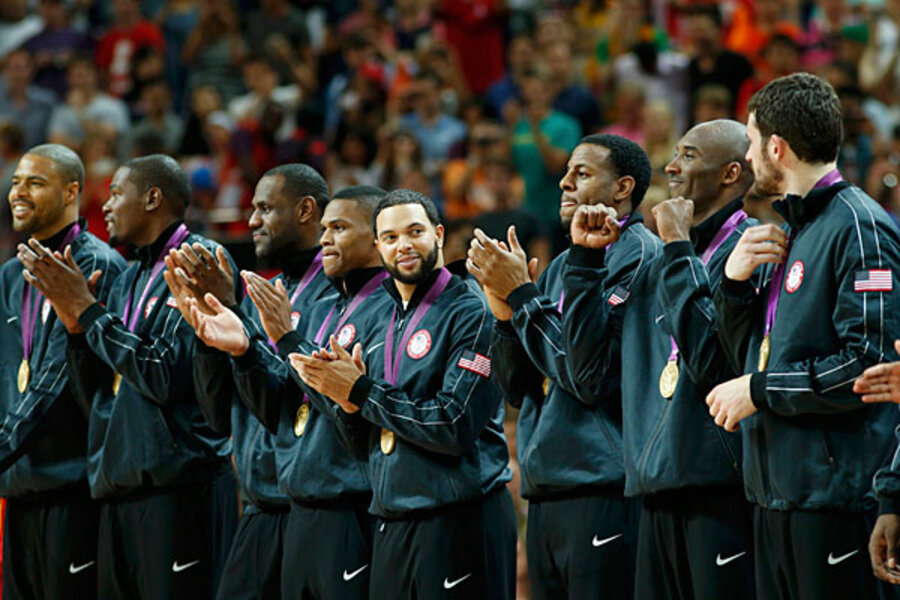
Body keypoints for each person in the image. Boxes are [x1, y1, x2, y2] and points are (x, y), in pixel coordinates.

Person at [706, 73, 900, 599]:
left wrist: (759, 389)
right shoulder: (792, 231)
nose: (747, 159)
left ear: (776, 148)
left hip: (836, 501)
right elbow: (748, 350)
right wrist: (732, 284)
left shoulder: (859, 226)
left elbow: (868, 367)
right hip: (776, 496)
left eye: (750, 143)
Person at [22, 154, 240, 599]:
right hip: (117, 488)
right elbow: (96, 396)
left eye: (117, 194)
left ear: (152, 198)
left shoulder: (201, 264)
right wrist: (76, 330)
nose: (105, 205)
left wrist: (89, 312)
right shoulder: (126, 275)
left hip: (177, 491)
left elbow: (163, 375)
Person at [563, 121, 758, 598]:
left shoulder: (751, 250)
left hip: (721, 494)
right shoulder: (655, 265)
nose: (670, 166)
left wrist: (677, 246)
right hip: (653, 491)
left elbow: (716, 367)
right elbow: (588, 376)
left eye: (688, 156)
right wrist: (585, 263)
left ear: (731, 172)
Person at [289, 189, 517, 599]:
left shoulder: (471, 312)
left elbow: (453, 424)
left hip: (460, 519)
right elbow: (362, 444)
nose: (404, 245)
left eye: (415, 232)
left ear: (439, 234)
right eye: (390, 238)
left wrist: (359, 391)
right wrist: (345, 403)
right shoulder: (377, 316)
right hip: (391, 518)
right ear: (378, 247)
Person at [469, 134, 659, 599]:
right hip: (549, 487)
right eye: (567, 171)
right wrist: (504, 315)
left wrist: (522, 296)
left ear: (622, 188)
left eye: (582, 173)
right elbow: (519, 388)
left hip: (605, 486)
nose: (564, 181)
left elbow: (588, 375)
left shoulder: (641, 255)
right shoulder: (560, 267)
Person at [187, 185, 390, 599]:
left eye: (337, 227)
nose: (325, 237)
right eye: (326, 228)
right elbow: (264, 408)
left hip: (348, 504)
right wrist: (240, 350)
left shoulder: (383, 307)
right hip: (278, 502)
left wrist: (285, 339)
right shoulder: (295, 301)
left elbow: (350, 412)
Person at [165, 163, 334, 599]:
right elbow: (220, 416)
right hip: (258, 511)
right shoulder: (264, 292)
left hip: (314, 512)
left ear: (305, 210)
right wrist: (210, 328)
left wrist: (238, 319)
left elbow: (289, 402)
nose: (252, 220)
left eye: (265, 208)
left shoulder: (339, 295)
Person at [2, 144, 124, 599]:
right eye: (16, 181)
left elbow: (54, 379)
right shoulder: (11, 276)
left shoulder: (96, 266)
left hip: (75, 490)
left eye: (35, 182)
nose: (19, 192)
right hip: (19, 487)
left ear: (72, 191)